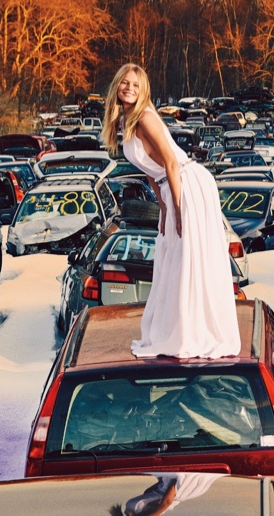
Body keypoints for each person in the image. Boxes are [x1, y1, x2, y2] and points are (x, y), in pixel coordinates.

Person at [101, 63, 240, 359]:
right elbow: (150, 170)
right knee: (171, 256)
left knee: (189, 259)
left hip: (188, 183)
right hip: (171, 186)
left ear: (143, 91)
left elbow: (171, 163)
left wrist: (177, 207)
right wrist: (163, 208)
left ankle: (197, 332)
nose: (129, 89)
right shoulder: (126, 121)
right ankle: (177, 329)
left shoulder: (145, 118)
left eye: (136, 85)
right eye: (125, 83)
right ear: (117, 85)